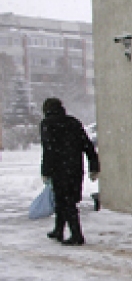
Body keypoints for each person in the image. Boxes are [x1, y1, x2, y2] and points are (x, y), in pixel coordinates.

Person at [40, 98, 99, 246]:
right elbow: (87, 145)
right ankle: (58, 230)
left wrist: (45, 171)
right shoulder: (73, 122)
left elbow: (48, 150)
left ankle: (77, 235)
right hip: (75, 169)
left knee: (65, 202)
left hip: (58, 169)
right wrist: (94, 165)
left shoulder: (47, 124)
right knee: (66, 201)